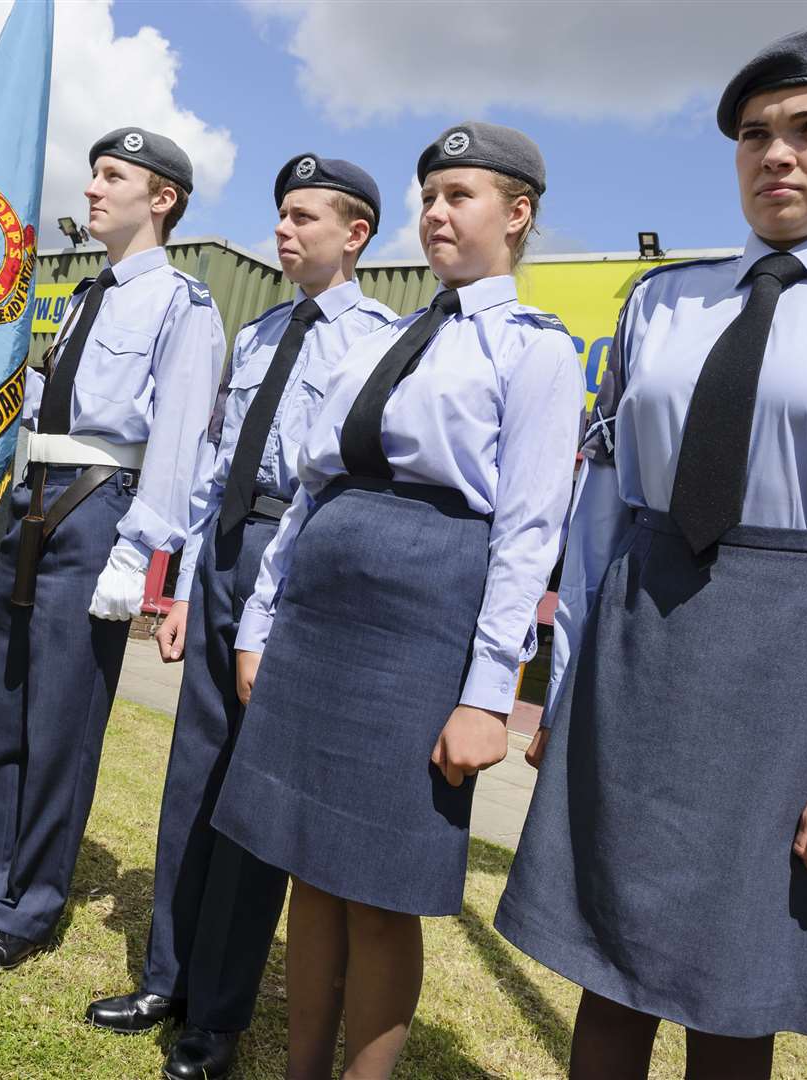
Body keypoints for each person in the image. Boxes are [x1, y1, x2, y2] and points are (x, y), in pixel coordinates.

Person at [493, 23, 807, 1078]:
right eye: (754, 134)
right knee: (607, 960)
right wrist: (570, 674)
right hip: (640, 653)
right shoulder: (664, 301)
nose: (777, 153)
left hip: (792, 668)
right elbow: (609, 513)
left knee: (736, 985)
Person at [213, 122, 584, 1079]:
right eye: (428, 196)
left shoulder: (534, 350)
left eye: (459, 195)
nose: (435, 213)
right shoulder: (383, 335)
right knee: (306, 865)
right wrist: (261, 619)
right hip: (319, 616)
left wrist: (486, 690)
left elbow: (529, 533)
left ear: (518, 214)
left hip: (419, 623)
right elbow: (310, 491)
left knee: (378, 883)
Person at [83, 154, 396, 1080]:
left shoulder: (378, 339)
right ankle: (166, 977)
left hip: (292, 568)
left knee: (252, 798)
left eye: (304, 216)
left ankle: (216, 1015)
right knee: (193, 779)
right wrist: (176, 584)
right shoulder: (255, 335)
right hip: (222, 553)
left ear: (356, 234)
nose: (283, 231)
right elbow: (213, 463)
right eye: (279, 215)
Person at [0, 127, 224, 974]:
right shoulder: (83, 296)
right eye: (92, 173)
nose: (91, 188)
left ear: (160, 199)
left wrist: (140, 551)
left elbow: (181, 443)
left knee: (59, 721)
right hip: (33, 502)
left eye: (112, 176)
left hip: (98, 513)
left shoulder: (182, 306)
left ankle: (29, 904)